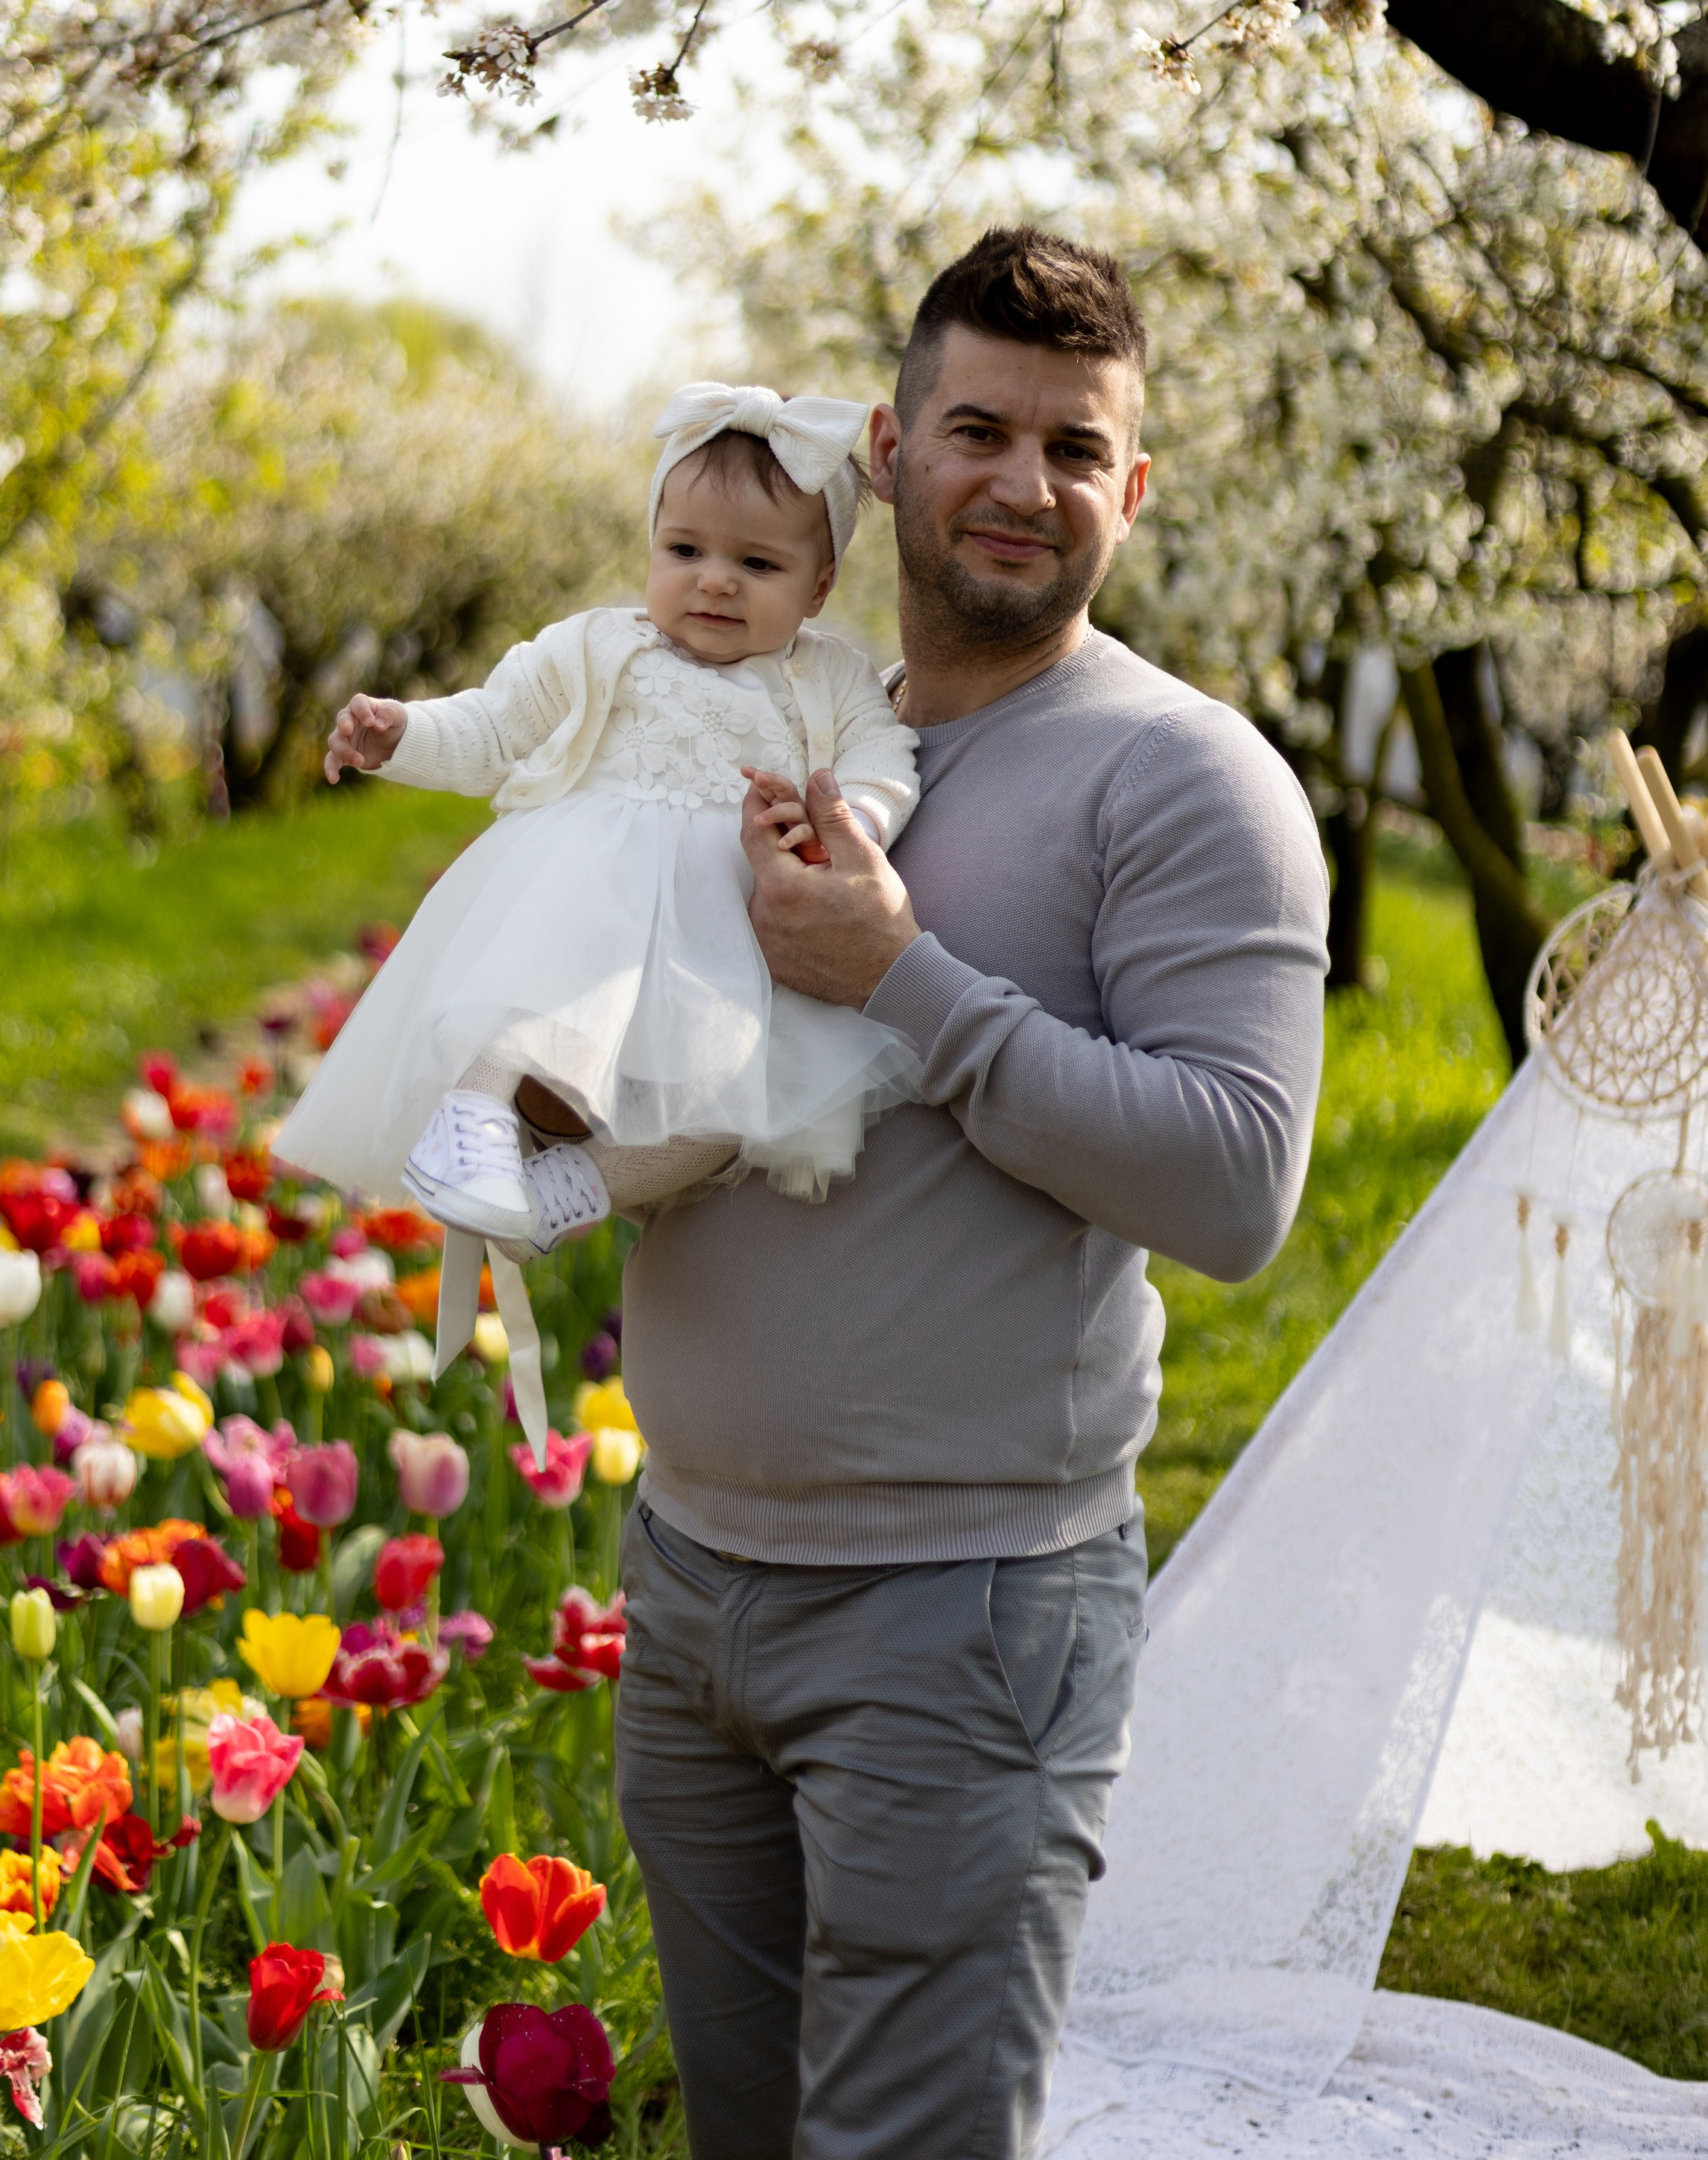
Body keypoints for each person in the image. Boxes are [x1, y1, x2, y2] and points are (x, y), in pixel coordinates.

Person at [613, 229, 1330, 2160]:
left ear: (1135, 490)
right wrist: (494, 1169)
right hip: (684, 1584)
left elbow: (1240, 1185)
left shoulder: (1186, 781)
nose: (1025, 483)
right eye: (981, 429)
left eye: (1076, 449)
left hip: (964, 1612)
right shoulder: (751, 728)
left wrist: (903, 978)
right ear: (889, 446)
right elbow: (599, 1068)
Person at [277, 378, 921, 1288]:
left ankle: (562, 1194)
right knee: (536, 1002)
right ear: (650, 546)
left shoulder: (827, 678)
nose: (714, 579)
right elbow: (496, 729)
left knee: (739, 1101)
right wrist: (403, 736)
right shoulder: (597, 646)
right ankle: (475, 1124)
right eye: (684, 548)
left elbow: (883, 753)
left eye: (758, 565)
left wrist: (847, 823)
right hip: (593, 902)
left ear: (817, 587)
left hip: (730, 948)